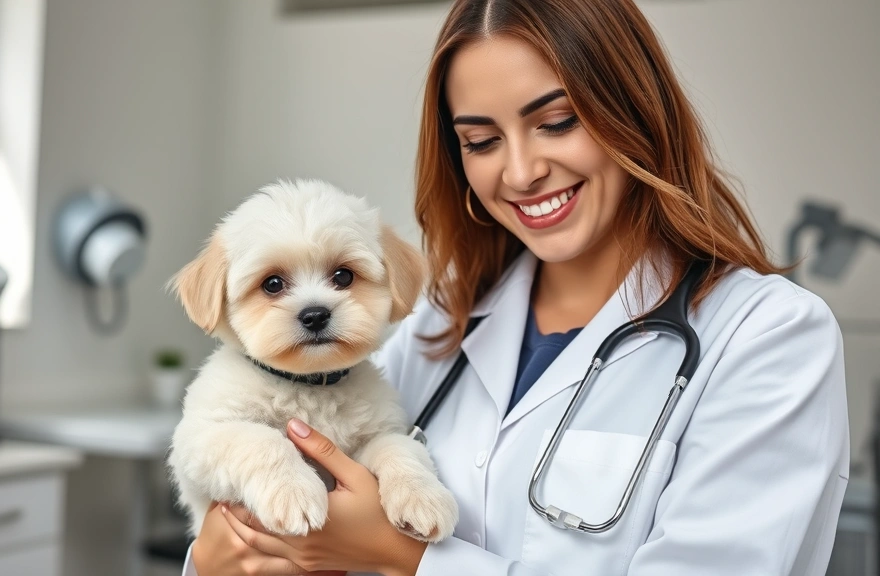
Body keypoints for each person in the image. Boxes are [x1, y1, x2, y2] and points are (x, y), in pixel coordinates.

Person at [182, 0, 850, 574]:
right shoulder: (438, 327)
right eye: (481, 140)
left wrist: (410, 558)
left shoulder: (768, 337)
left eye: (557, 122)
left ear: (635, 113)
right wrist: (212, 560)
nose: (523, 171)